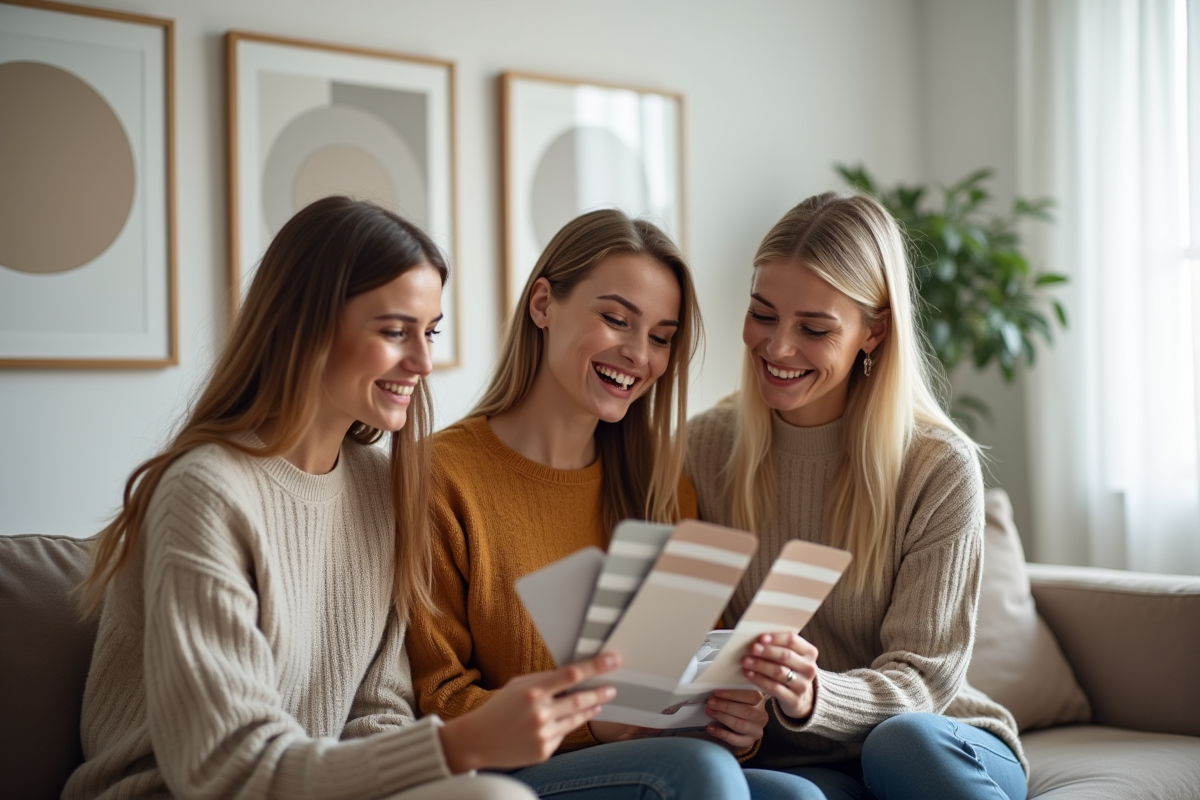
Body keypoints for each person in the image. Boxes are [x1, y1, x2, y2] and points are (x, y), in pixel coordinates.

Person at [65, 197, 621, 800]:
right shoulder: (205, 492)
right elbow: (225, 769)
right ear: (305, 325)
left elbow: (378, 708)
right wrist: (462, 744)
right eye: (394, 331)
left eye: (430, 332)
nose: (424, 361)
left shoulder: (381, 486)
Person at [406, 210, 787, 799]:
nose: (639, 354)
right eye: (616, 320)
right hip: (509, 775)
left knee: (801, 796)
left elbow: (693, 669)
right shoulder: (442, 478)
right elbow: (437, 700)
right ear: (542, 305)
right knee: (701, 775)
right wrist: (590, 723)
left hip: (661, 760)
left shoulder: (661, 484)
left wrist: (736, 720)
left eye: (661, 337)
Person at [686, 191, 1028, 800]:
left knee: (900, 743)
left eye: (814, 328)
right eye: (762, 314)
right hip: (798, 761)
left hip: (939, 741)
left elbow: (925, 679)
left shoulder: (936, 466)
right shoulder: (703, 450)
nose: (778, 347)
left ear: (874, 332)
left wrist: (817, 692)